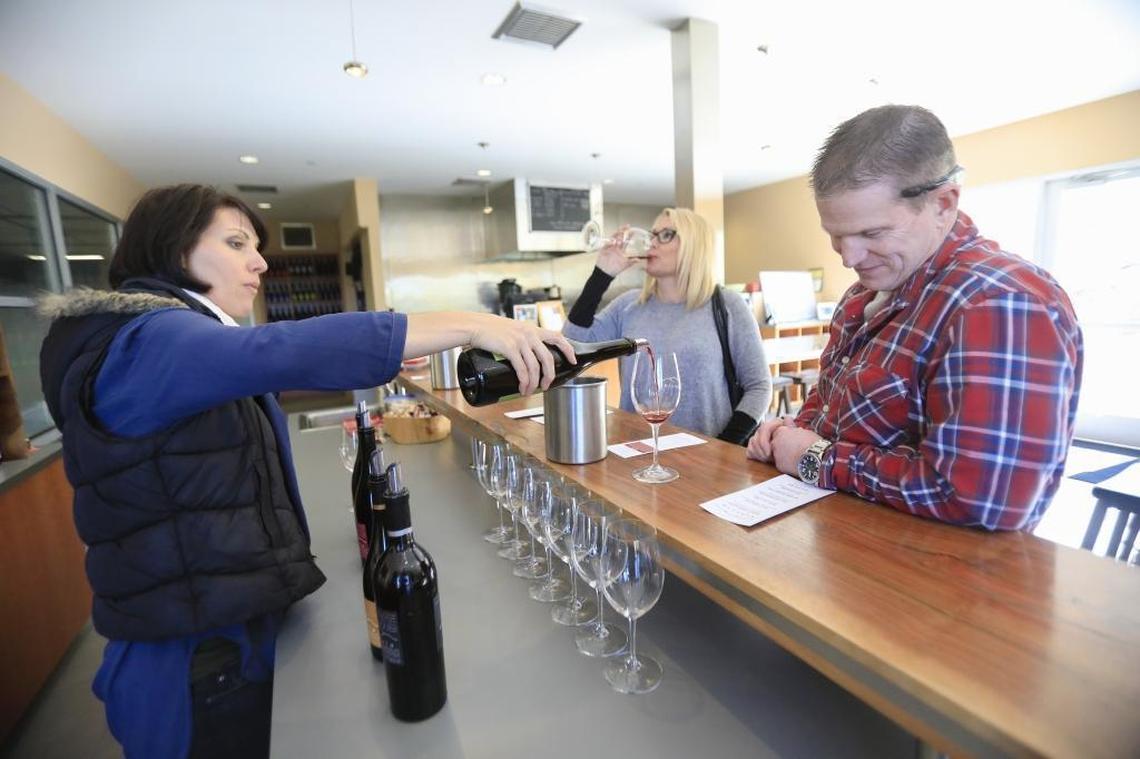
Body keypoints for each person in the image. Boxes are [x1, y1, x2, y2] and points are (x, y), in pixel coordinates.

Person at [38, 183, 574, 758]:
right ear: (174, 247)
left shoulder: (156, 337)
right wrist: (470, 324)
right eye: (236, 243)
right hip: (194, 661)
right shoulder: (142, 341)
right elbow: (277, 350)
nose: (260, 262)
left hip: (216, 628)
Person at [746, 105, 1083, 531]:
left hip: (932, 568)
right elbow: (833, 404)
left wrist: (815, 458)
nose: (849, 258)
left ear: (943, 203)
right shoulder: (862, 295)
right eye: (836, 236)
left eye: (872, 233)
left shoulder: (999, 303)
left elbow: (983, 500)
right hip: (842, 546)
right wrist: (792, 428)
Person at [563, 208, 770, 443]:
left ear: (694, 245)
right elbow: (572, 345)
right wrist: (602, 273)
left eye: (666, 235)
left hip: (705, 458)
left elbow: (759, 387)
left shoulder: (728, 305)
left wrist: (723, 447)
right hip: (636, 453)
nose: (651, 243)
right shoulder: (628, 305)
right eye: (653, 234)